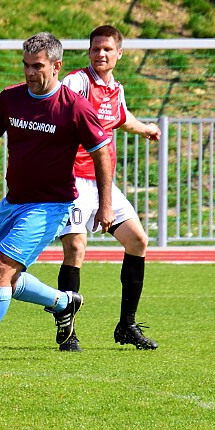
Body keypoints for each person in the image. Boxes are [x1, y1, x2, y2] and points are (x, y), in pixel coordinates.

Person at [0, 32, 115, 365]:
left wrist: (105, 205)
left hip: (50, 207)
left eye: (38, 66)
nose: (30, 72)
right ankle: (64, 303)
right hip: (13, 203)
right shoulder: (10, 98)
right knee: (3, 277)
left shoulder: (75, 107)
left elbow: (101, 153)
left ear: (56, 66)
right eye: (26, 65)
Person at [56, 25, 161, 352]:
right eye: (96, 48)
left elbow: (122, 118)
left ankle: (127, 325)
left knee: (137, 240)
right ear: (89, 52)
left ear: (119, 54)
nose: (101, 54)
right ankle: (67, 332)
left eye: (107, 49)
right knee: (76, 248)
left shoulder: (116, 89)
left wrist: (146, 129)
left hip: (103, 182)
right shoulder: (78, 82)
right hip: (73, 180)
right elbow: (56, 109)